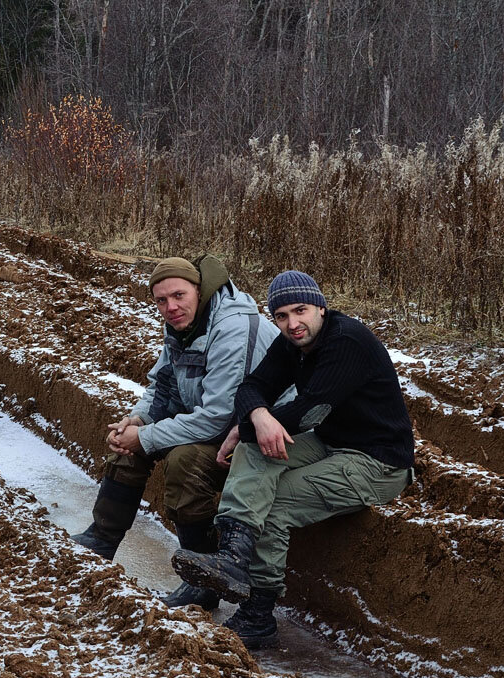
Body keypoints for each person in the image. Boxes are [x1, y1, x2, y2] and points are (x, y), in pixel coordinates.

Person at [172, 270, 414, 648]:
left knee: (276, 499)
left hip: (378, 461)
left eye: (300, 311)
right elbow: (252, 386)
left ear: (320, 306)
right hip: (330, 441)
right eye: (281, 316)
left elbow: (307, 414)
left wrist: (246, 424)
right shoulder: (294, 342)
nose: (292, 323)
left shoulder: (346, 341)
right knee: (256, 448)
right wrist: (256, 416)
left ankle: (259, 612)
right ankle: (233, 555)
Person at [72, 255, 279, 610]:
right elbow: (162, 382)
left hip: (252, 432)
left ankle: (202, 580)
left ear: (199, 290)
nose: (171, 307)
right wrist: (136, 422)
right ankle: (101, 540)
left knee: (184, 463)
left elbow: (218, 415)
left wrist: (149, 436)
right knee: (127, 444)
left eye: (179, 296)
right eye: (161, 300)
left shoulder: (232, 326)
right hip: (213, 420)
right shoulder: (183, 324)